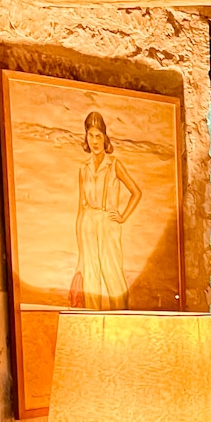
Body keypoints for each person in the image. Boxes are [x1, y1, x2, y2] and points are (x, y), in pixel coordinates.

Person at [71, 111, 142, 310]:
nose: (94, 141)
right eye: (90, 135)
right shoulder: (83, 168)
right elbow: (79, 207)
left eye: (98, 136)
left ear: (104, 138)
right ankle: (94, 326)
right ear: (86, 137)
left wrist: (123, 216)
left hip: (108, 223)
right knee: (91, 278)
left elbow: (136, 192)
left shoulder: (114, 165)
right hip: (87, 222)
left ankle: (121, 322)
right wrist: (80, 250)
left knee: (113, 274)